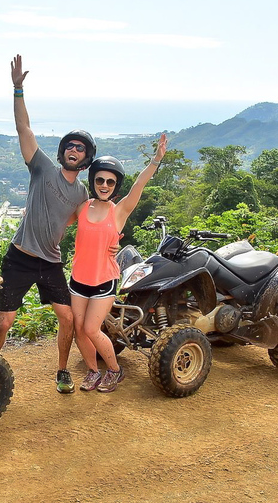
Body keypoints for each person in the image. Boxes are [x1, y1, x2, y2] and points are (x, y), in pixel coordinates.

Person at [0, 54, 95, 394]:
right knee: (5, 321)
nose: (73, 150)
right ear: (63, 150)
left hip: (50, 263)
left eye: (80, 148)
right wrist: (18, 90)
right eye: (70, 145)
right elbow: (24, 128)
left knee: (67, 319)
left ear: (86, 158)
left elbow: (94, 224)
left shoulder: (82, 195)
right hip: (20, 258)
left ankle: (62, 370)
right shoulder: (43, 168)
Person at [70, 133, 168, 392]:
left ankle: (114, 369)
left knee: (92, 328)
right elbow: (58, 216)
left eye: (110, 182)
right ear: (93, 181)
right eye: (100, 180)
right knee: (78, 329)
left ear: (115, 186)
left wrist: (156, 160)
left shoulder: (119, 211)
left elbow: (139, 185)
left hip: (103, 279)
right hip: (78, 278)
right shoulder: (82, 207)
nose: (104, 185)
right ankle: (93, 371)